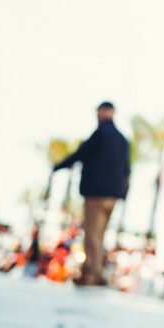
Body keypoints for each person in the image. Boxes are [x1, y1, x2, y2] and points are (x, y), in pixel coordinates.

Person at [53, 101, 130, 286]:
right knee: (99, 236)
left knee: (92, 235)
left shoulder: (101, 133)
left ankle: (94, 273)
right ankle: (91, 271)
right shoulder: (123, 140)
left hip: (96, 193)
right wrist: (122, 193)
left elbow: (82, 153)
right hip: (113, 196)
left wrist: (58, 166)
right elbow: (127, 169)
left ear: (104, 112)